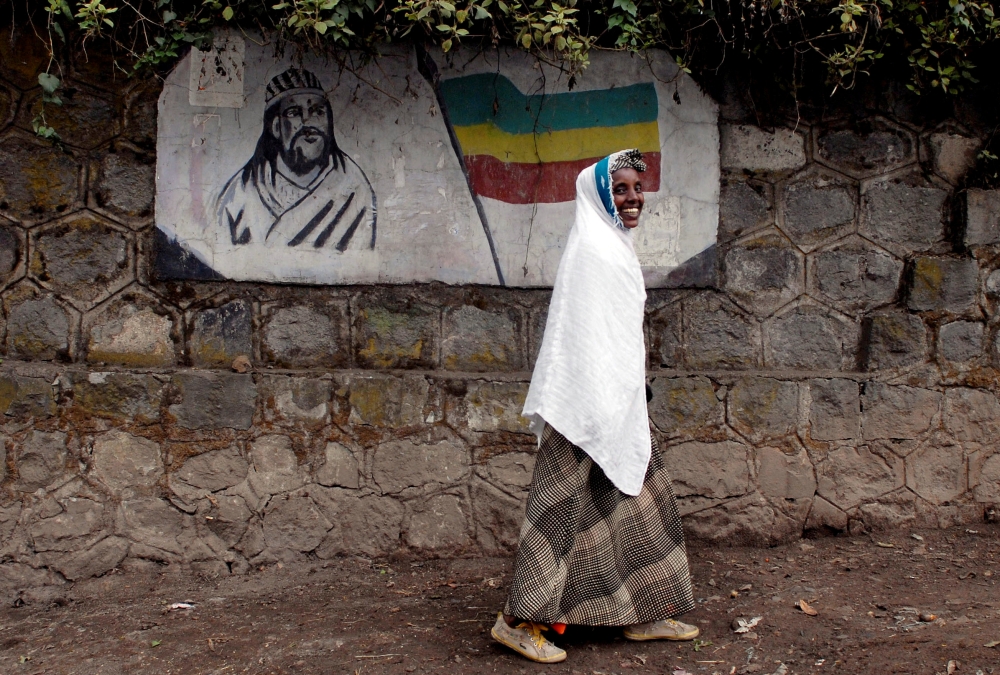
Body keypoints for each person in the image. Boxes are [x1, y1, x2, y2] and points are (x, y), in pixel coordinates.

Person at [491, 149, 698, 663]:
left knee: (637, 502)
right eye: (621, 189)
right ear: (598, 194)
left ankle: (640, 612)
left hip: (618, 400)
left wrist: (628, 389)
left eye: (636, 189)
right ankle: (518, 621)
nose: (632, 199)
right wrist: (600, 396)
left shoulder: (612, 244)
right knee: (558, 511)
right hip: (580, 403)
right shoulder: (592, 250)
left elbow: (615, 331)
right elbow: (578, 337)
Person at [215, 68, 377, 252]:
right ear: (276, 126)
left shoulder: (354, 188)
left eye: (317, 111)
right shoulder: (242, 191)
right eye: (294, 113)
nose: (308, 122)